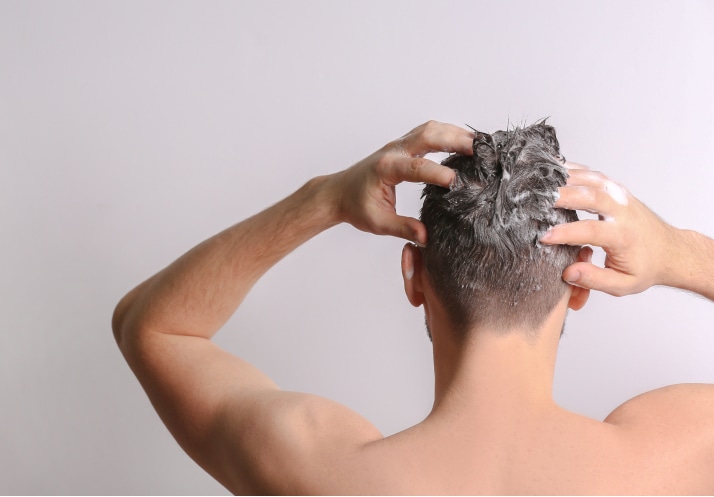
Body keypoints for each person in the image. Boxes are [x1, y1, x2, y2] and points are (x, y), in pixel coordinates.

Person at [113, 121, 714, 494]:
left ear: (413, 277)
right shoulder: (670, 455)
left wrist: (323, 199)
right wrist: (674, 252)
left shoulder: (321, 471)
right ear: (579, 284)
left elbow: (154, 328)